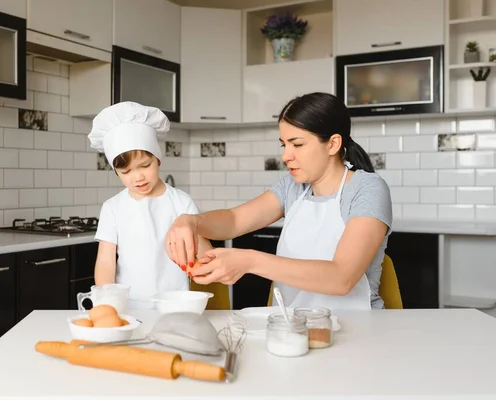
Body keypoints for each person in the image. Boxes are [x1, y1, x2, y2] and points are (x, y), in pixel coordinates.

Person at [165, 92, 393, 310]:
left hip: (358, 330)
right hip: (290, 326)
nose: (286, 156)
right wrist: (190, 222)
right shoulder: (292, 187)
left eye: (298, 144)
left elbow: (341, 278)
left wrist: (249, 261)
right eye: (284, 145)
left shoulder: (368, 189)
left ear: (333, 144)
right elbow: (234, 220)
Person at [87, 101, 212, 308]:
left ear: (158, 159)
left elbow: (202, 250)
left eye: (145, 165)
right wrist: (105, 302)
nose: (138, 177)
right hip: (128, 306)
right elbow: (105, 261)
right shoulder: (113, 207)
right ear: (116, 172)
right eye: (126, 172)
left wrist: (205, 261)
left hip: (175, 303)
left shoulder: (181, 201)